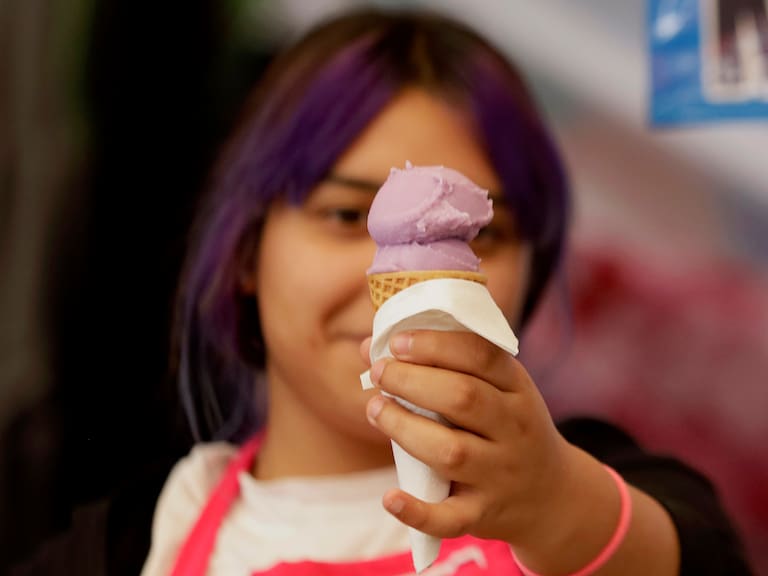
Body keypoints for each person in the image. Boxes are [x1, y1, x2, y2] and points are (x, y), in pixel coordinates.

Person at [141, 7, 752, 576]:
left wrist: (559, 508)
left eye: (478, 234)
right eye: (348, 216)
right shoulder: (157, 530)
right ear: (248, 250)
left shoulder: (583, 489)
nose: (409, 288)